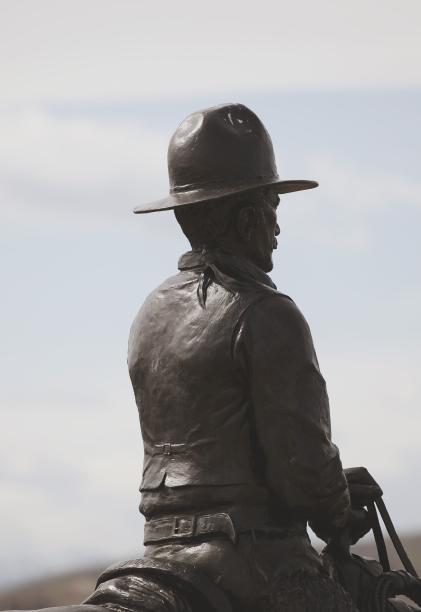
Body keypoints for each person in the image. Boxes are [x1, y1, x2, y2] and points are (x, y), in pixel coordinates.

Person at [119, 103, 364, 611]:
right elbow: (303, 470)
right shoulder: (267, 314)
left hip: (160, 551)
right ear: (247, 217)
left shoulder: (149, 313)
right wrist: (340, 507)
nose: (277, 227)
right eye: (273, 206)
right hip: (251, 560)